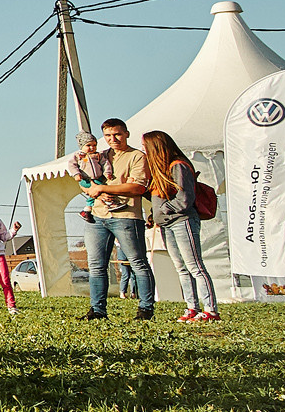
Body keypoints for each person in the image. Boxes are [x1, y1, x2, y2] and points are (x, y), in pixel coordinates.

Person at [79, 118, 155, 321]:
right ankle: (97, 310)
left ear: (127, 134)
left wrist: (104, 188)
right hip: (98, 215)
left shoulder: (137, 157)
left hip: (126, 216)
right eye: (108, 136)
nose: (113, 139)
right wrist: (97, 193)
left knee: (137, 262)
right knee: (96, 265)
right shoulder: (98, 156)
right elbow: (84, 182)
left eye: (117, 134)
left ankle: (145, 309)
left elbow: (138, 188)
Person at [142, 132, 218, 323]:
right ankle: (192, 306)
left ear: (155, 147)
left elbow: (185, 198)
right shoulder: (160, 171)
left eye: (145, 146)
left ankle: (211, 310)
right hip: (167, 224)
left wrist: (165, 209)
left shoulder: (178, 166)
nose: (143, 150)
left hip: (182, 221)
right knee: (181, 267)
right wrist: (155, 215)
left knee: (195, 266)